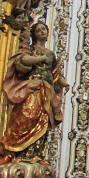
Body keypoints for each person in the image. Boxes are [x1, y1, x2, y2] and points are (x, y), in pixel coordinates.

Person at [2, 22, 67, 155]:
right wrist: (39, 58)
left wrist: (63, 82)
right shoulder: (30, 49)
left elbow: (55, 73)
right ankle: (17, 150)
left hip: (47, 91)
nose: (42, 32)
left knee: (44, 121)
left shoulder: (50, 54)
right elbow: (22, 60)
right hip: (33, 89)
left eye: (44, 29)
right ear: (34, 34)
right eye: (38, 30)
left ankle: (34, 153)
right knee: (27, 115)